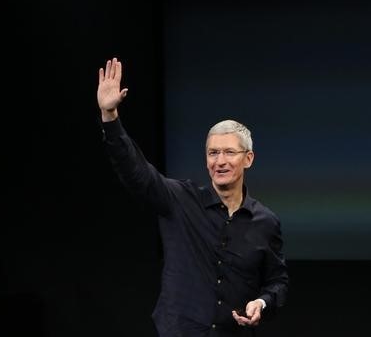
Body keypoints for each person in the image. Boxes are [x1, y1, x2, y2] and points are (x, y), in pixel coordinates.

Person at [97, 57, 289, 336]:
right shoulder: (180, 200)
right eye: (213, 153)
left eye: (229, 153)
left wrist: (262, 302)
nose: (219, 161)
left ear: (248, 159)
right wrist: (110, 117)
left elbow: (277, 281)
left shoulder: (265, 222)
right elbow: (135, 171)